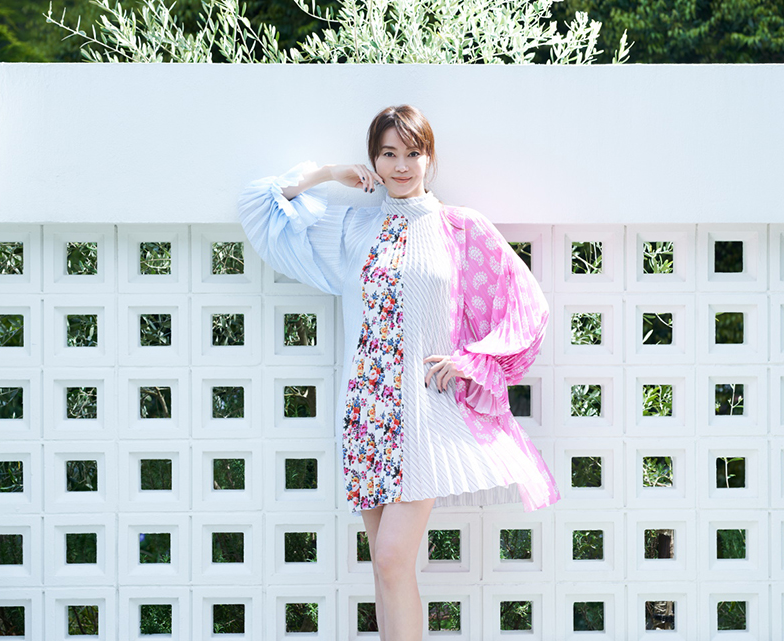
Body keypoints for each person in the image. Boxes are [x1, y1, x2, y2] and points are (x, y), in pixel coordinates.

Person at [238, 104, 559, 640]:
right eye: (388, 154)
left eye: (413, 153)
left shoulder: (459, 228)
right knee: (385, 571)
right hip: (364, 413)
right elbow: (262, 203)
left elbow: (526, 305)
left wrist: (471, 359)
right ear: (374, 160)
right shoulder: (354, 226)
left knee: (391, 559)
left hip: (423, 416)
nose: (402, 166)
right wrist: (329, 173)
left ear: (430, 157)